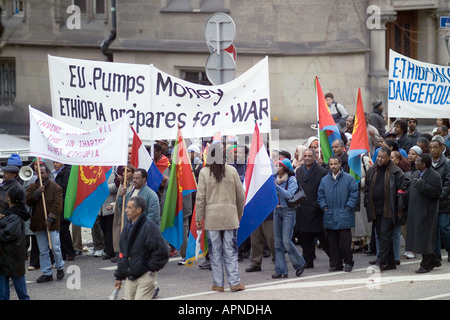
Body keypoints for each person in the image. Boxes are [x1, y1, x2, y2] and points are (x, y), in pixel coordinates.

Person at [195, 143, 245, 292]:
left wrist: (199, 217)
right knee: (230, 251)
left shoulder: (204, 172)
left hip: (212, 217)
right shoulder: (232, 170)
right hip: (230, 215)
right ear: (223, 156)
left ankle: (218, 284)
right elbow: (240, 195)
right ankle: (235, 282)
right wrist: (238, 214)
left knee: (215, 252)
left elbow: (200, 197)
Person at [114, 196, 169, 300]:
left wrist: (150, 269)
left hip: (146, 275)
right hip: (131, 276)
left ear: (138, 210)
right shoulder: (126, 228)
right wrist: (119, 276)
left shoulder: (149, 227)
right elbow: (123, 254)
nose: (126, 210)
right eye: (126, 207)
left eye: (129, 207)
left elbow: (162, 252)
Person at [364, 146, 405, 271]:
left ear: (388, 158)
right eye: (378, 157)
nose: (379, 159)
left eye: (382, 157)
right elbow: (367, 189)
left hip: (389, 208)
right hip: (375, 208)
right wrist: (367, 202)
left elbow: (401, 192)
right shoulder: (372, 170)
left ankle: (381, 262)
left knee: (385, 235)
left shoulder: (396, 172)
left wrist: (399, 210)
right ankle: (391, 262)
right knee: (381, 234)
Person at [318, 156, 359, 272]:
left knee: (345, 242)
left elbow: (354, 194)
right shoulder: (324, 180)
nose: (333, 166)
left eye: (335, 164)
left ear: (340, 164)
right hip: (330, 213)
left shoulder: (349, 179)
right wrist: (324, 207)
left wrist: (348, 207)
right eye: (331, 164)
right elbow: (320, 196)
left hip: (344, 214)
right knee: (333, 242)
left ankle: (348, 261)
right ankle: (336, 263)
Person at [26, 164, 65, 283]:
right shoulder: (32, 187)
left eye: (42, 173)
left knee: (55, 247)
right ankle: (47, 272)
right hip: (39, 223)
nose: (40, 175)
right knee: (43, 250)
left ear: (47, 173)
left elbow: (57, 206)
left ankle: (59, 267)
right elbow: (28, 201)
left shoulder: (56, 187)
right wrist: (37, 193)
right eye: (38, 173)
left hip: (51, 224)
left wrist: (50, 219)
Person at [405, 154, 442, 273]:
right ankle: (434, 260)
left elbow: (437, 193)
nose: (415, 162)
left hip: (427, 213)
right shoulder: (415, 173)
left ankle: (425, 265)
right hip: (415, 211)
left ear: (424, 164)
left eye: (417, 161)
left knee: (425, 238)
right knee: (417, 237)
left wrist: (422, 184)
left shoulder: (434, 176)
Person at [295, 148, 330, 268]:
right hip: (302, 208)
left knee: (322, 236)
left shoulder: (322, 171)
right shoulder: (299, 171)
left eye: (309, 156)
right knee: (304, 236)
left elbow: (324, 190)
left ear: (314, 157)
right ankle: (308, 260)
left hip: (316, 208)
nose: (306, 158)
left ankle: (335, 258)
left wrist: (320, 205)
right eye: (305, 156)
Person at [272, 158, 306, 278]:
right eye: (277, 166)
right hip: (277, 210)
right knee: (278, 243)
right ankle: (281, 270)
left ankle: (300, 263)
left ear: (285, 168)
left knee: (286, 240)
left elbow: (289, 194)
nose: (278, 168)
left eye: (280, 166)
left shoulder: (292, 179)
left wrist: (277, 187)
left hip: (288, 211)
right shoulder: (275, 179)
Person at [0, 186, 30, 300]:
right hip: (5, 255)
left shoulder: (15, 215)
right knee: (3, 290)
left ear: (9, 198)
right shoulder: (9, 212)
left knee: (21, 290)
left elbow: (10, 234)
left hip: (13, 255)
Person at [429, 138, 450, 264]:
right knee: (434, 229)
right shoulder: (427, 162)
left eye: (435, 147)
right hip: (431, 202)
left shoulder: (447, 163)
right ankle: (436, 255)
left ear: (442, 147)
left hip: (443, 201)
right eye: (431, 147)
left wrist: (440, 195)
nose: (432, 150)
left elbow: (448, 182)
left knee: (444, 227)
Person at [52, 162, 76, 261]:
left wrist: (61, 201)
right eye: (53, 162)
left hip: (64, 203)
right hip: (58, 203)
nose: (55, 164)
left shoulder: (67, 172)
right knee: (60, 228)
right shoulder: (55, 173)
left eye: (57, 162)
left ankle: (70, 252)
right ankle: (64, 253)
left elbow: (65, 189)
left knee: (63, 227)